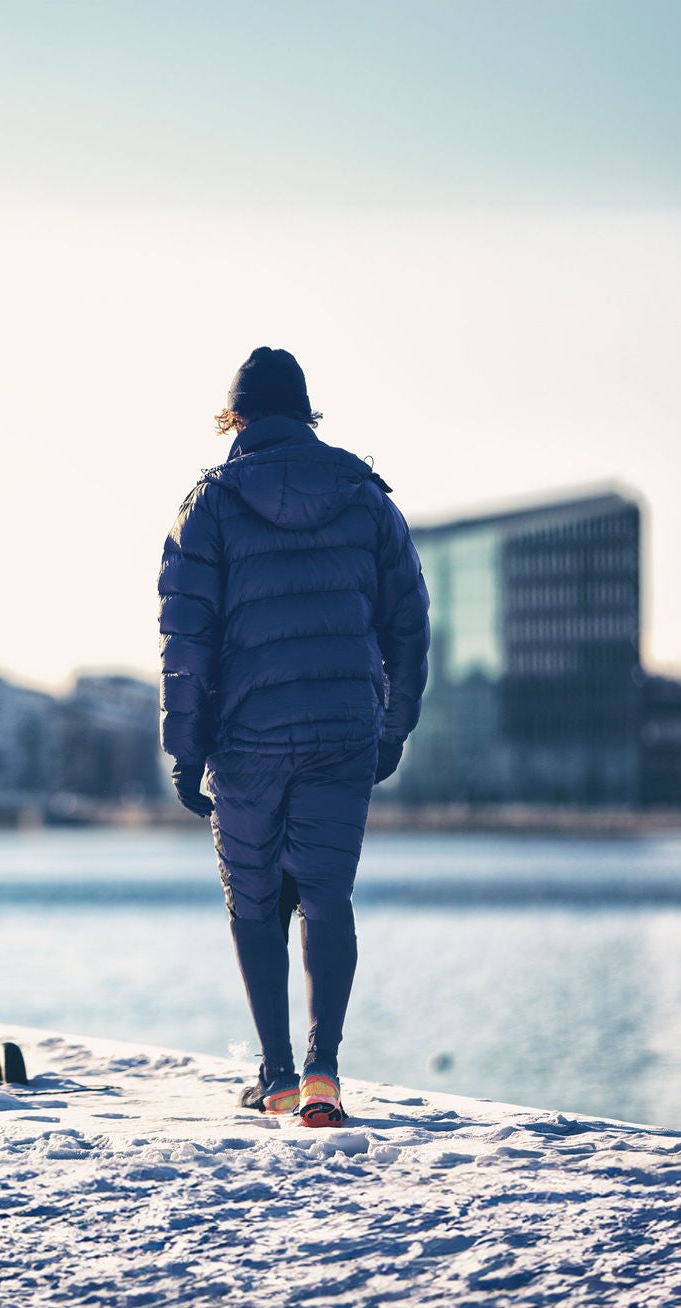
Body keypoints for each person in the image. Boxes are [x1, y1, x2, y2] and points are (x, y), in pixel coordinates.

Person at [158, 347, 430, 1127]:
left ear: (236, 417)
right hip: (344, 727)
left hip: (245, 737)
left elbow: (187, 638)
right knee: (326, 895)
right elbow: (409, 622)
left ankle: (276, 1077)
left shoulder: (207, 504)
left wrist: (186, 746)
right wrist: (394, 726)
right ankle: (323, 1073)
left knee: (252, 900)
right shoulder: (365, 496)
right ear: (307, 412)